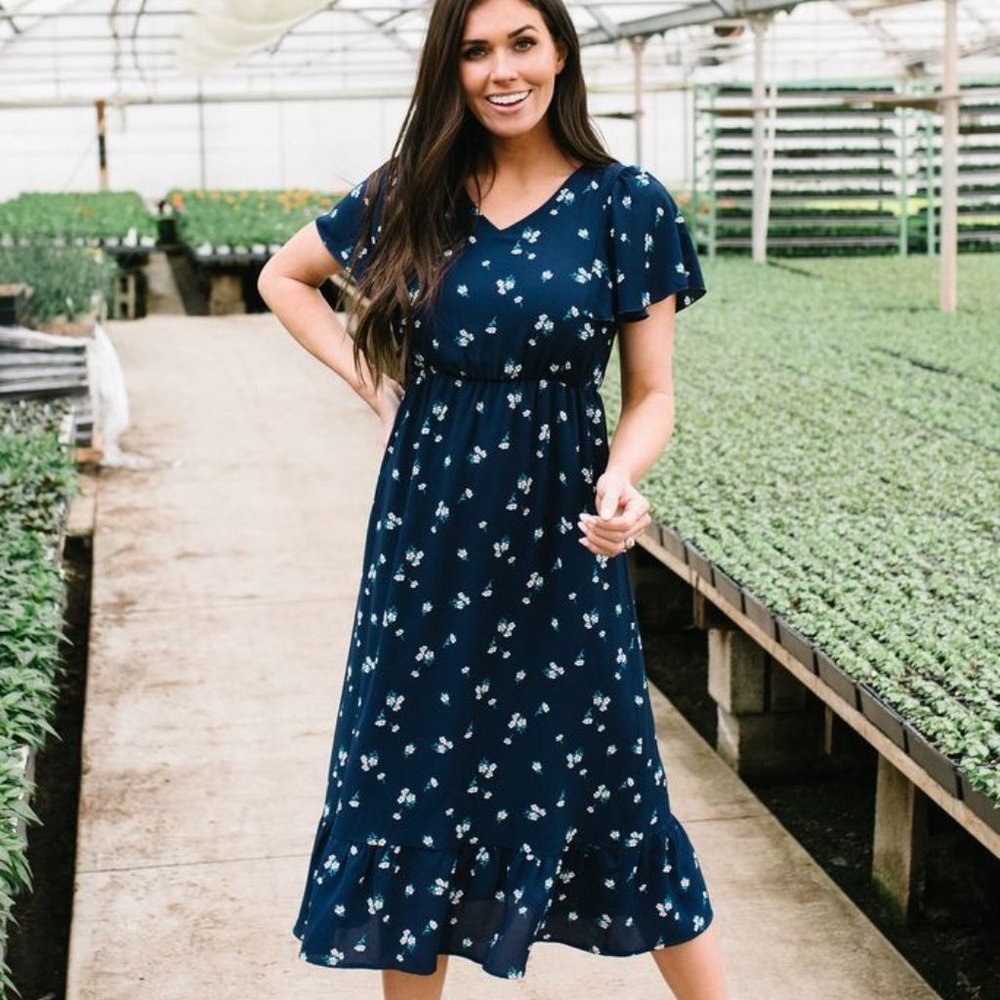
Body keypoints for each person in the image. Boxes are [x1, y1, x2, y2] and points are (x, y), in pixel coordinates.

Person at [258, 0, 730, 996]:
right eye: (474, 50)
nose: (500, 69)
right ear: (450, 66)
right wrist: (371, 380)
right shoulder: (414, 193)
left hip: (563, 528)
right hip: (429, 531)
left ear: (560, 51)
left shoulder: (625, 202)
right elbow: (285, 277)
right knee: (412, 784)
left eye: (522, 42)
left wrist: (623, 480)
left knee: (614, 776)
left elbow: (651, 394)